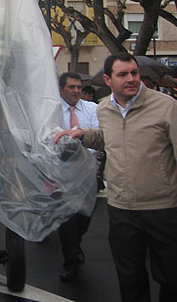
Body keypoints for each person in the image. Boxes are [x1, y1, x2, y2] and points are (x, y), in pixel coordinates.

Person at [56, 53, 177, 301]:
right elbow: (106, 138)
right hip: (121, 209)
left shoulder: (165, 106)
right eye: (123, 74)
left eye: (134, 73)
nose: (131, 79)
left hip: (163, 208)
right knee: (129, 277)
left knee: (171, 277)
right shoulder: (104, 109)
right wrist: (83, 135)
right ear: (108, 80)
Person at [56, 72, 100, 282]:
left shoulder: (92, 109)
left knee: (84, 217)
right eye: (71, 87)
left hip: (88, 173)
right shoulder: (53, 111)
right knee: (67, 219)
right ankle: (70, 261)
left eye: (78, 87)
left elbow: (98, 136)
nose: (76, 91)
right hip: (62, 174)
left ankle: (75, 243)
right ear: (61, 90)